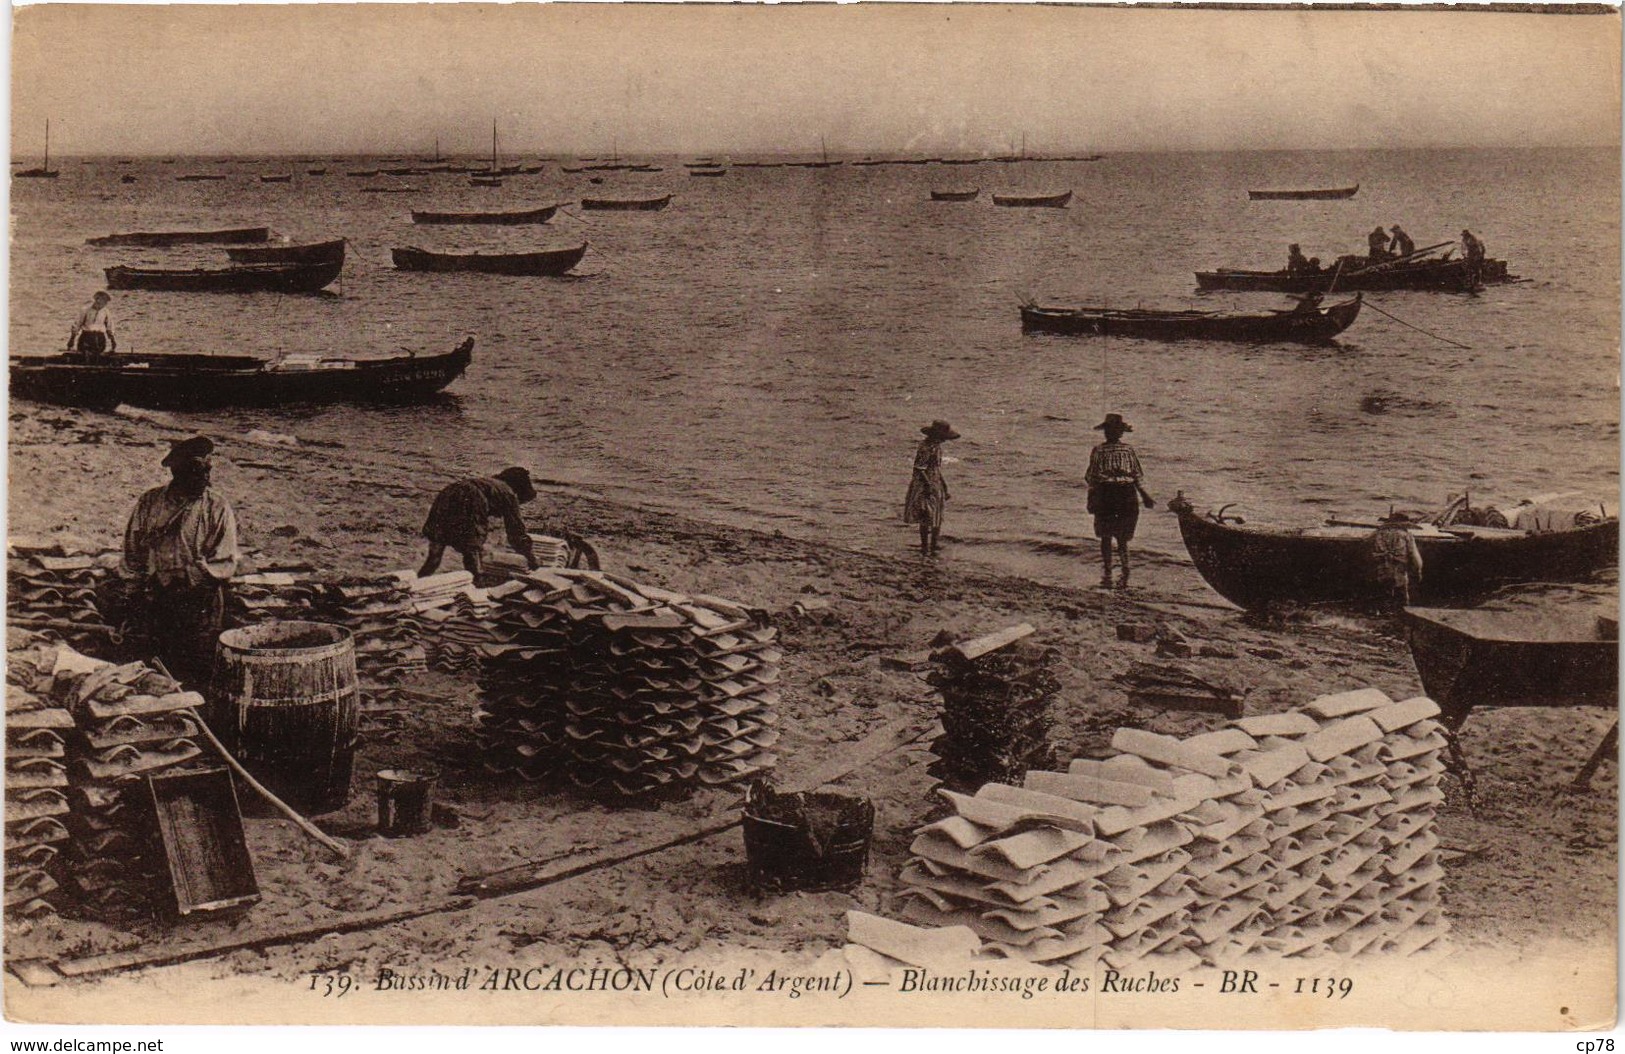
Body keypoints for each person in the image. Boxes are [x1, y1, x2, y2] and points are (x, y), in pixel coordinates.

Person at [120, 436, 239, 686]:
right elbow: (133, 552)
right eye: (198, 470)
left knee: (196, 669)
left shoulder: (216, 507)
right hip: (157, 600)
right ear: (178, 471)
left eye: (208, 469)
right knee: (156, 668)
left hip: (199, 604)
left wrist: (184, 576)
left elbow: (224, 561)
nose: (206, 477)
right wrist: (134, 593)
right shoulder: (150, 502)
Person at [419, 467, 539, 580]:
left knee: (437, 547)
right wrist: (531, 559)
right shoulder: (508, 493)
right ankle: (475, 584)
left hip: (447, 493)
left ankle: (420, 580)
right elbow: (516, 533)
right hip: (472, 497)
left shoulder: (488, 483)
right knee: (472, 547)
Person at [1085, 414, 1154, 590]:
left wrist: (1145, 495)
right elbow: (1091, 477)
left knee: (1118, 536)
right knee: (1109, 536)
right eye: (1109, 430)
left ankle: (1120, 569)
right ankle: (1112, 570)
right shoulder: (1102, 450)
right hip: (1112, 494)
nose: (1111, 433)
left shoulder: (1122, 450)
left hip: (1120, 494)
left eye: (1115, 429)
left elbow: (1136, 476)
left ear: (1121, 432)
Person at [903, 420, 958, 556]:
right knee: (926, 515)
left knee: (936, 515)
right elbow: (919, 469)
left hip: (935, 481)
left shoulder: (937, 447)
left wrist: (944, 485)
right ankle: (925, 546)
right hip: (924, 483)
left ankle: (933, 545)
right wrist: (928, 485)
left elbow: (937, 470)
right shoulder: (925, 447)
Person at [1370, 513, 1424, 610]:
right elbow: (1414, 555)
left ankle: (1383, 612)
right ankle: (1400, 612)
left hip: (1382, 566)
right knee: (1400, 591)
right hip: (1398, 567)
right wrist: (1418, 570)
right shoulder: (1406, 535)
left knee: (1384, 590)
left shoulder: (1378, 534)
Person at [67, 291, 116, 357]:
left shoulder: (106, 312)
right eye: (103, 301)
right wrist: (72, 339)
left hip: (100, 338)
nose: (104, 304)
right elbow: (77, 324)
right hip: (87, 337)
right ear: (97, 300)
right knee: (84, 356)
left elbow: (109, 327)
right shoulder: (85, 310)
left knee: (99, 357)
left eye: (105, 302)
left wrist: (113, 341)